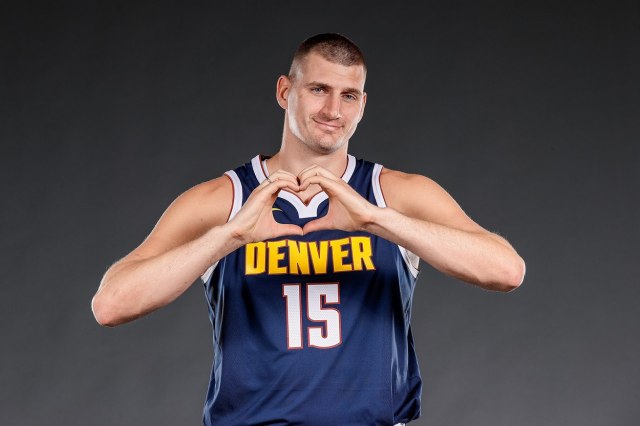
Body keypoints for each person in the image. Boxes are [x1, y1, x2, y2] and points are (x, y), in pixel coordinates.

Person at [92, 33, 525, 425]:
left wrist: (376, 220)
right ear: (285, 91)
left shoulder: (393, 194)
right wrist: (229, 236)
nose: (333, 111)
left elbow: (506, 270)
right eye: (319, 89)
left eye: (348, 96)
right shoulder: (223, 201)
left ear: (362, 105)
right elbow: (111, 305)